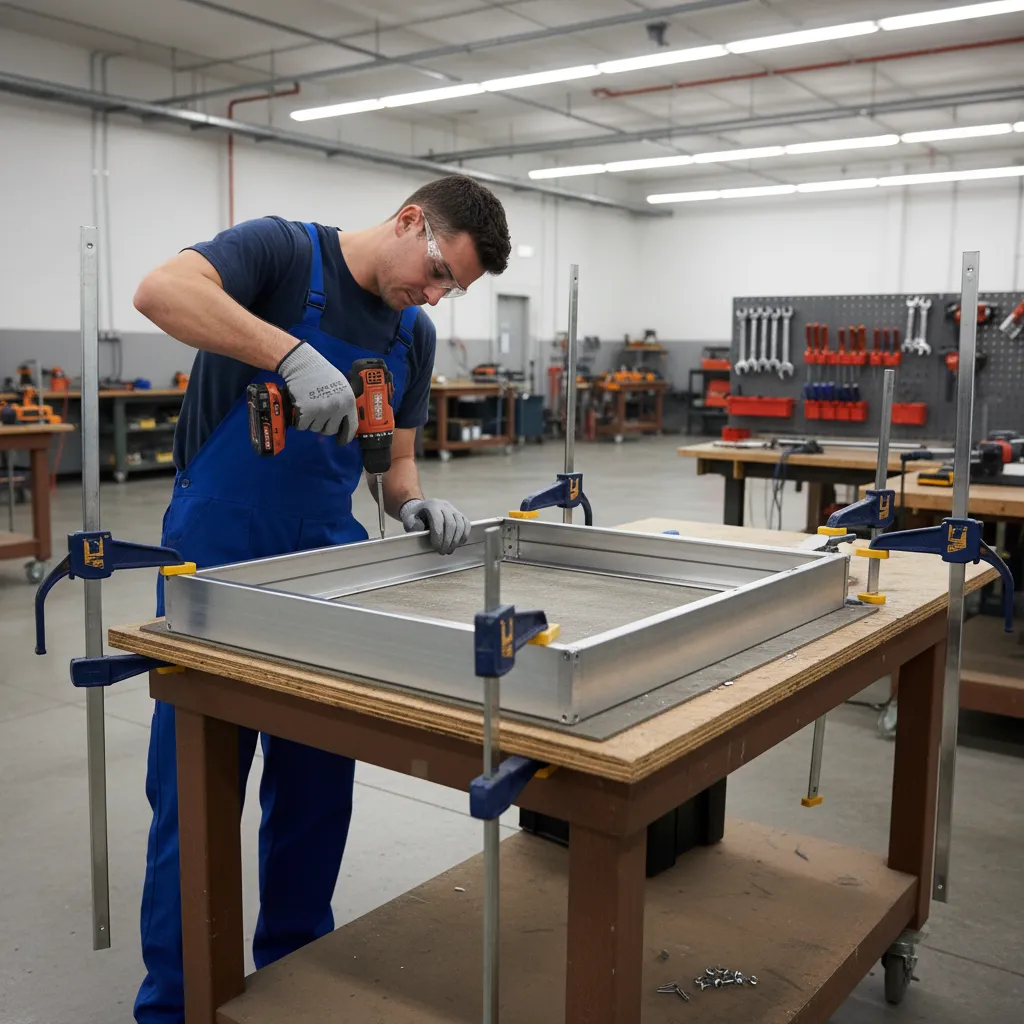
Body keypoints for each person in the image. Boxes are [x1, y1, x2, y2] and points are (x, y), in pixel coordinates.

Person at [130, 173, 512, 1023]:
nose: (439, 296)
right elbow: (161, 290)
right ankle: (175, 1002)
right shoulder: (278, 251)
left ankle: (296, 978)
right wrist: (286, 352)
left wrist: (414, 504)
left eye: (456, 289)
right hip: (218, 559)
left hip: (327, 568)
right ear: (412, 221)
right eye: (443, 271)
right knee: (195, 789)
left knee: (315, 783)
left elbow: (393, 466)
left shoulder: (411, 334)